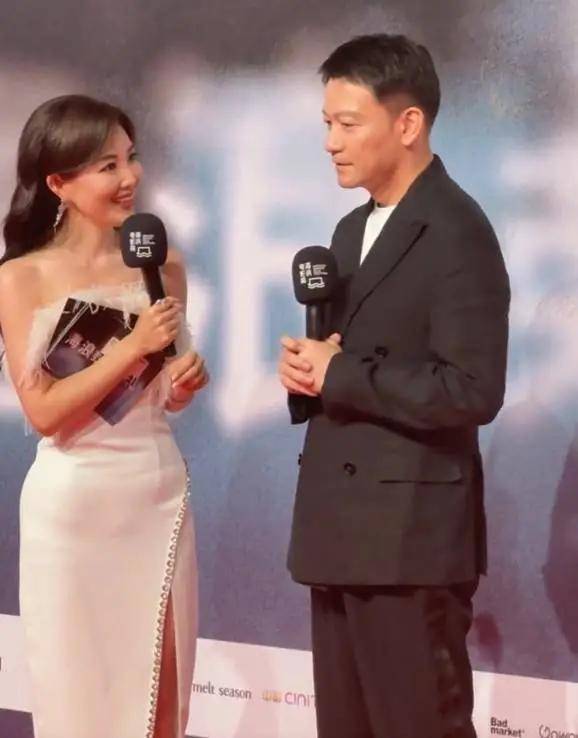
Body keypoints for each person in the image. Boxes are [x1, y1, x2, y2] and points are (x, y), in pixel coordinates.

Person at [278, 34, 510, 738]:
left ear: (408, 124)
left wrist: (342, 374)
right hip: (340, 532)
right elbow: (347, 364)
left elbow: (472, 388)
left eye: (349, 124)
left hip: (410, 546)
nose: (331, 142)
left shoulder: (458, 230)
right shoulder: (350, 231)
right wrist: (310, 373)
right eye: (327, 123)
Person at [0, 95, 208, 738]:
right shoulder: (21, 277)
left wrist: (182, 383)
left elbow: (163, 390)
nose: (129, 177)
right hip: (73, 511)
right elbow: (44, 413)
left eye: (131, 158)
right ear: (58, 184)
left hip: (156, 495)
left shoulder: (162, 264)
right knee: (80, 709)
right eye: (107, 166)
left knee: (161, 705)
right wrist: (132, 347)